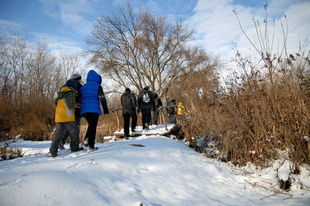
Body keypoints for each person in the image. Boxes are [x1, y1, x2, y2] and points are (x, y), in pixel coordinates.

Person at [49, 79, 83, 157]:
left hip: (59, 116)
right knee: (74, 131)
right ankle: (74, 147)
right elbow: (70, 104)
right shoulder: (70, 93)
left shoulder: (60, 93)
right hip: (68, 116)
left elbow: (56, 102)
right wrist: (77, 105)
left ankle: (53, 151)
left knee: (58, 134)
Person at [80, 70, 109, 151]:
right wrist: (105, 110)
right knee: (93, 127)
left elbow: (79, 98)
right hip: (94, 109)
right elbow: (102, 98)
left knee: (90, 125)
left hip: (84, 110)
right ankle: (90, 146)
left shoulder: (83, 87)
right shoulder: (97, 86)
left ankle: (86, 140)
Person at [59, 73, 82, 150]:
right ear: (78, 79)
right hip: (76, 109)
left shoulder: (64, 87)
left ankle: (61, 142)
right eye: (80, 79)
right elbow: (81, 97)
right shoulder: (78, 86)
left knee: (67, 128)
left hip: (65, 110)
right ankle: (74, 145)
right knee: (76, 127)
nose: (81, 81)